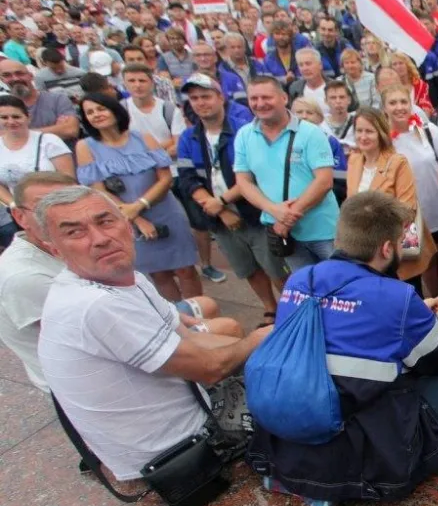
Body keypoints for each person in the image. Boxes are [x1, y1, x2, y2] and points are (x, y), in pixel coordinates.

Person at [247, 191, 438, 506]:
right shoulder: (397, 296)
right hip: (363, 455)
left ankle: (305, 480)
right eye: (400, 242)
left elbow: (347, 328)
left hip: (286, 435)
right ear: (386, 248)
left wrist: (414, 318)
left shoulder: (301, 280)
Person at [36, 185, 266, 482]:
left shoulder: (125, 278)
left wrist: (257, 347)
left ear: (127, 224)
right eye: (75, 232)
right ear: (55, 249)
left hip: (183, 407)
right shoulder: (94, 305)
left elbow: (192, 338)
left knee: (272, 364)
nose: (100, 239)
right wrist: (261, 340)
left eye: (105, 221)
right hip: (177, 450)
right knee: (306, 400)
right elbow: (210, 368)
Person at [175, 75, 286, 326]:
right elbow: (187, 178)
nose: (201, 103)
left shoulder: (245, 129)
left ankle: (293, 309)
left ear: (220, 97)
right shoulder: (188, 137)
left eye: (206, 96)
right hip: (216, 215)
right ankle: (270, 308)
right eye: (194, 98)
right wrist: (217, 208)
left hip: (252, 210)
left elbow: (256, 172)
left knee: (275, 266)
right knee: (247, 267)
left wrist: (223, 201)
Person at [76, 92, 202, 303]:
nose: (96, 115)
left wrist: (140, 204)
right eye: (90, 112)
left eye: (101, 109)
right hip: (124, 218)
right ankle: (179, 317)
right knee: (158, 273)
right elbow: (98, 190)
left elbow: (164, 178)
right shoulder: (85, 147)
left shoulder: (143, 138)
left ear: (114, 110)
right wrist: (135, 217)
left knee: (186, 269)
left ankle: (202, 315)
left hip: (165, 210)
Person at [233, 76, 339, 272]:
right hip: (282, 232)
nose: (260, 104)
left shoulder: (310, 133)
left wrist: (287, 216)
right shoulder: (244, 135)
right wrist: (274, 211)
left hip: (323, 230)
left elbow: (324, 182)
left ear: (283, 98)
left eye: (267, 97)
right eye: (254, 98)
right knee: (305, 289)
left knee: (341, 286)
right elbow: (244, 182)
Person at [0, 173, 79, 391]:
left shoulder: (61, 246)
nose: (64, 214)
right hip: (81, 388)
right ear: (20, 216)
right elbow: (89, 336)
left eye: (72, 202)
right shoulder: (25, 276)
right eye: (44, 206)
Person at [345, 107, 436, 287]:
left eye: (369, 131)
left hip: (395, 250)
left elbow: (407, 209)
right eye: (359, 131)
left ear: (381, 133)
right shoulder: (354, 160)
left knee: (406, 300)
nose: (363, 136)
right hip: (365, 251)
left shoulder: (397, 162)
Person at [385, 85, 438, 302]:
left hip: (437, 205)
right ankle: (433, 299)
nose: (399, 107)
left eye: (403, 102)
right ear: (385, 108)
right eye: (393, 103)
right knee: (421, 259)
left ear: (411, 104)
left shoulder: (428, 131)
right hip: (408, 214)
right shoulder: (385, 141)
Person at [0, 94, 74, 246]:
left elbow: (69, 179)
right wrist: (14, 204)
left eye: (16, 116)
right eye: (4, 117)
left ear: (28, 117)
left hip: (57, 208)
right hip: (22, 215)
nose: (11, 121)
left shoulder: (49, 141)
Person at [0, 59, 80, 144]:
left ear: (31, 76)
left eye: (19, 73)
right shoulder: (3, 107)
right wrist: (56, 128)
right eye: (7, 75)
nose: (15, 78)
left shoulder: (57, 99)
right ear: (2, 80)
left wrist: (15, 133)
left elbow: (71, 130)